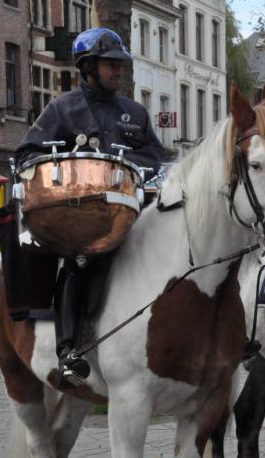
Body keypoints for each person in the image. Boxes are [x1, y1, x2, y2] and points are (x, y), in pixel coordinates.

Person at [13, 27, 164, 387]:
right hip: (81, 218)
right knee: (82, 260)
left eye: (120, 65)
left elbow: (156, 156)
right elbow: (26, 154)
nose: (118, 71)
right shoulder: (61, 109)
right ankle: (68, 351)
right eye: (111, 65)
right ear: (88, 67)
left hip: (129, 209)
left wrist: (133, 162)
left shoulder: (134, 113)